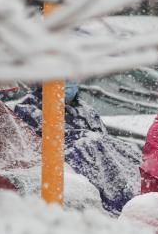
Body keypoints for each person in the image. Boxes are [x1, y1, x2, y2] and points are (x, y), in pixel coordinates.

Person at [13, 81, 142, 214]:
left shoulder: (87, 111)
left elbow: (108, 150)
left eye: (72, 78)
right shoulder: (28, 109)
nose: (67, 83)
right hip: (68, 190)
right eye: (62, 77)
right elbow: (52, 144)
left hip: (112, 200)